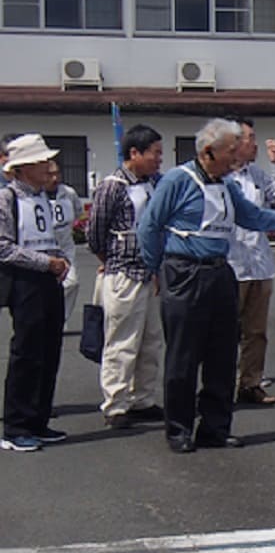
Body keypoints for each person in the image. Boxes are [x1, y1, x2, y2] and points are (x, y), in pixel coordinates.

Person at [137, 118, 275, 453]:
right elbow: (150, 226)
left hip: (220, 272)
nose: (237, 157)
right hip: (185, 271)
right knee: (184, 356)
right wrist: (155, 268)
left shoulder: (227, 185)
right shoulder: (178, 180)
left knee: (221, 355)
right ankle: (179, 429)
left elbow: (252, 217)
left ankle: (215, 427)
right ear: (207, 152)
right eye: (231, 151)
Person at [87, 124, 166, 430]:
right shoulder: (113, 185)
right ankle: (116, 404)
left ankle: (142, 398)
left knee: (151, 340)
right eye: (155, 153)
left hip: (149, 273)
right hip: (124, 272)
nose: (159, 159)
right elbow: (96, 233)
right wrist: (109, 261)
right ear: (135, 153)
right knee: (122, 341)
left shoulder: (153, 183)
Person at [0, 134, 71, 451]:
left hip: (49, 279)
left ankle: (39, 420)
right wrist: (46, 263)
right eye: (42, 162)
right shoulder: (7, 199)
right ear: (24, 167)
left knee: (49, 351)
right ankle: (15, 426)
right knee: (27, 353)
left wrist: (60, 260)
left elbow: (49, 234)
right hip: (25, 280)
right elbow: (3, 247)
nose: (48, 167)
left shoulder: (43, 196)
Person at [226, 116, 275, 407]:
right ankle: (222, 385)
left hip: (259, 263)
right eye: (250, 138)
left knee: (256, 332)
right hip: (230, 264)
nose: (255, 144)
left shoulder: (257, 175)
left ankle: (250, 383)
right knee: (226, 331)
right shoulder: (221, 178)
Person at [46, 159, 84, 325]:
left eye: (57, 173)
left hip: (66, 245)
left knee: (71, 282)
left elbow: (78, 213)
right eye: (50, 174)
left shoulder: (68, 193)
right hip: (45, 246)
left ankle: (60, 319)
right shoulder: (37, 194)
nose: (55, 178)